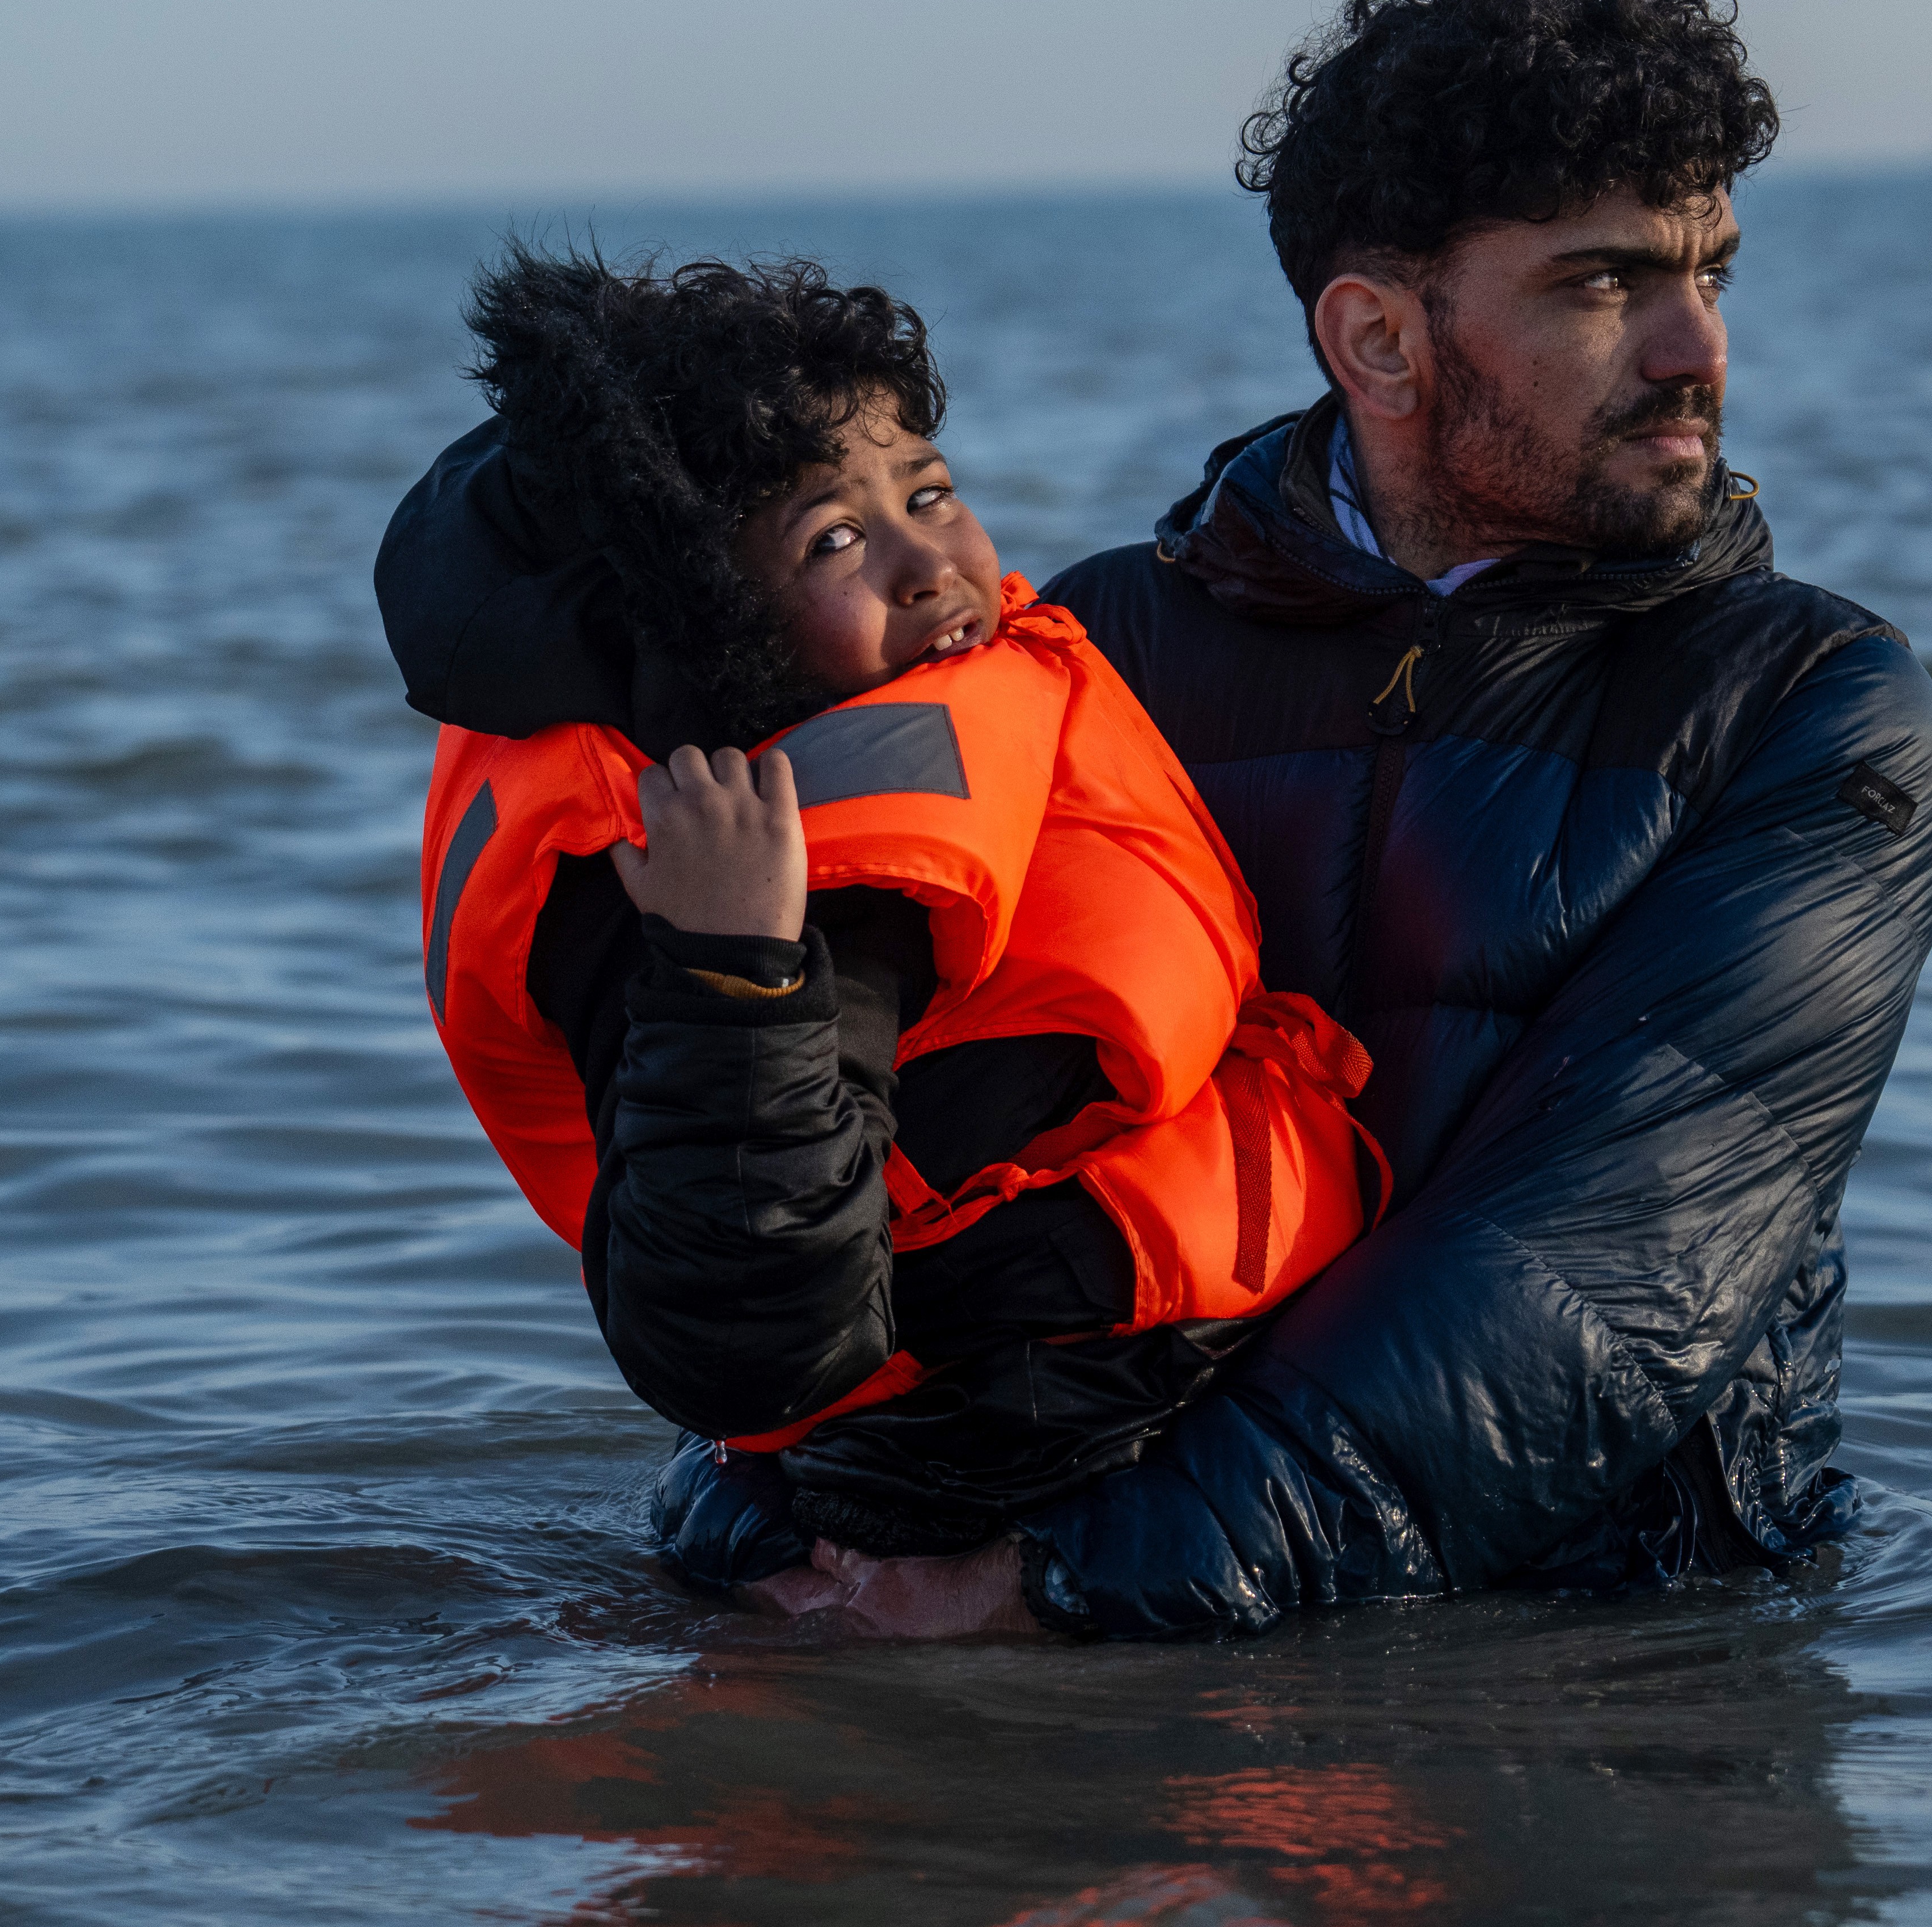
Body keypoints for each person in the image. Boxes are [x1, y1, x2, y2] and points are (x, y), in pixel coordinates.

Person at [652, 0, 1932, 1638]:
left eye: (1708, 272)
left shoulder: (1804, 707)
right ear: (1379, 337)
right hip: (1076, 1613)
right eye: (1601, 284)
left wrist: (1053, 1591)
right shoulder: (1091, 645)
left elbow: (1592, 1275)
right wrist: (755, 1517)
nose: (1692, 348)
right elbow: (857, 1126)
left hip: (1602, 1665)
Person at [379, 248, 1383, 1591]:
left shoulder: (900, 717)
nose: (931, 563)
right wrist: (734, 968)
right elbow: (739, 1331)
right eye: (833, 540)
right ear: (704, 620)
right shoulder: (768, 864)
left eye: (929, 491)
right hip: (1005, 1434)